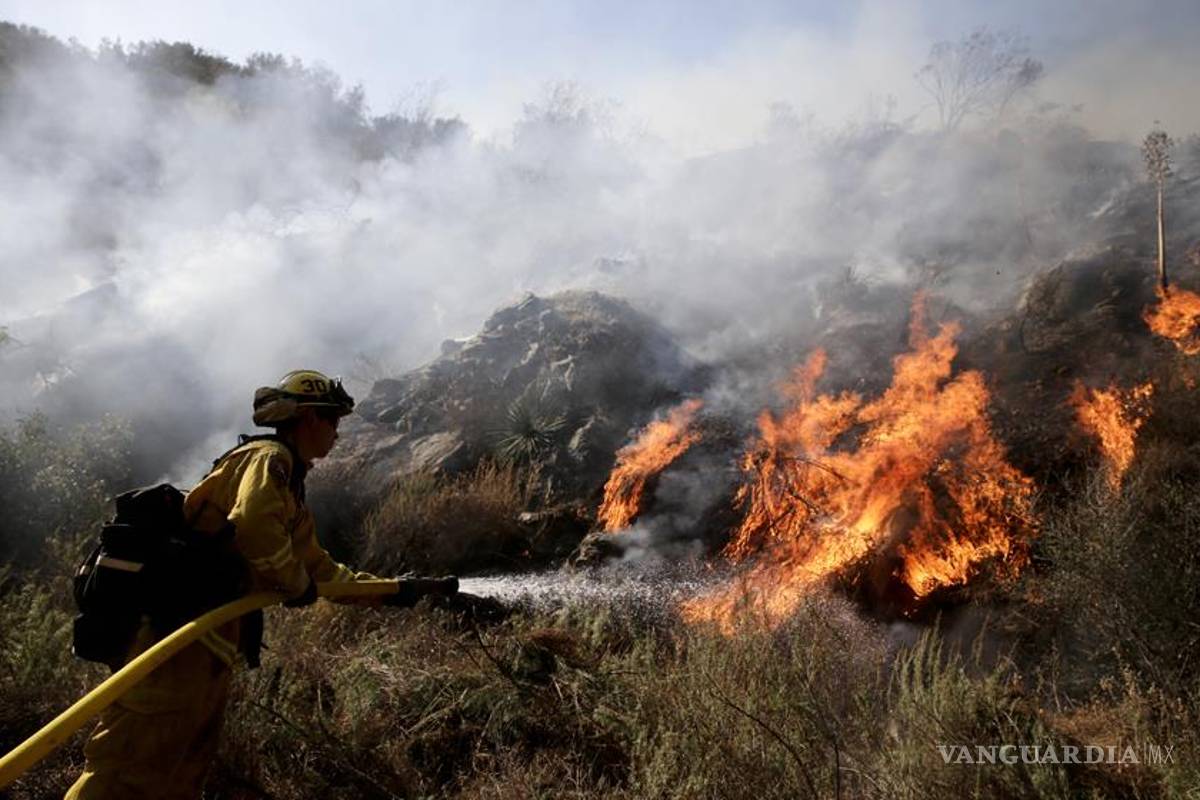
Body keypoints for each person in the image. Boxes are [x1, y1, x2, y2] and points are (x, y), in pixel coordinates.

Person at [65, 369, 457, 799]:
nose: (337, 434)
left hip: (205, 644)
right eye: (333, 421)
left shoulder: (289, 489)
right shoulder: (268, 458)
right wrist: (292, 581)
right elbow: (251, 524)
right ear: (309, 418)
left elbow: (322, 573)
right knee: (128, 765)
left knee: (181, 768)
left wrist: (396, 591)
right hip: (171, 636)